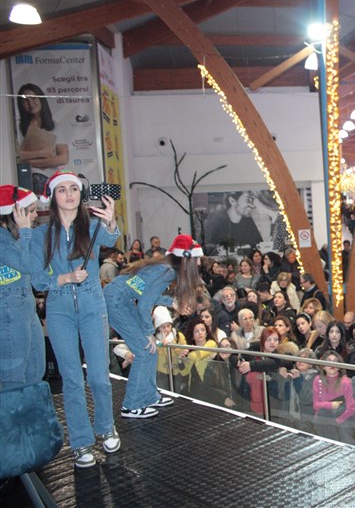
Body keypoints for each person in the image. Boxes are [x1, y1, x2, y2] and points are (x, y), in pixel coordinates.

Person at [30, 171, 120, 468]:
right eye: (62, 190)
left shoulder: (92, 226)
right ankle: (81, 443)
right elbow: (38, 280)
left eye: (74, 189)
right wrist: (65, 278)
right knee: (71, 378)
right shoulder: (41, 234)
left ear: (81, 194)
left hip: (94, 304)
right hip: (59, 309)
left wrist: (110, 219)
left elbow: (111, 235)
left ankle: (106, 427)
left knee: (98, 375)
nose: (69, 195)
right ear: (53, 197)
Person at [104, 234, 204, 419]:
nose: (198, 264)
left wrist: (171, 302)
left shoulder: (163, 267)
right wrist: (149, 332)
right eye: (196, 259)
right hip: (117, 303)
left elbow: (144, 293)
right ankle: (131, 406)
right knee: (144, 350)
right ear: (186, 258)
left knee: (150, 351)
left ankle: (149, 396)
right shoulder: (167, 272)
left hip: (120, 299)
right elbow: (144, 305)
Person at [0, 185, 43, 385]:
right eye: (31, 210)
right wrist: (26, 232)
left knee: (36, 370)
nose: (36, 215)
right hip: (9, 310)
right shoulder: (2, 240)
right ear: (15, 213)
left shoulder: (14, 238)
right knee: (13, 376)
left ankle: (30, 414)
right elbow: (29, 265)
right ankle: (13, 416)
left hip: (26, 306)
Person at [16, 83, 69, 193]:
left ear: (41, 99)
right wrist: (40, 153)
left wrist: (29, 161)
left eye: (34, 98)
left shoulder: (54, 126)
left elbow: (63, 158)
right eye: (26, 100)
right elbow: (16, 156)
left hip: (50, 178)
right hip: (27, 177)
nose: (31, 103)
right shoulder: (18, 127)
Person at [313, 351, 355, 443]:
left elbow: (351, 408)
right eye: (328, 361)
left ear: (339, 366)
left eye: (335, 361)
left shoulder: (345, 382)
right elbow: (316, 405)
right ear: (323, 366)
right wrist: (330, 405)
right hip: (323, 420)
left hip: (342, 421)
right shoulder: (318, 380)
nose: (332, 364)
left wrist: (337, 421)